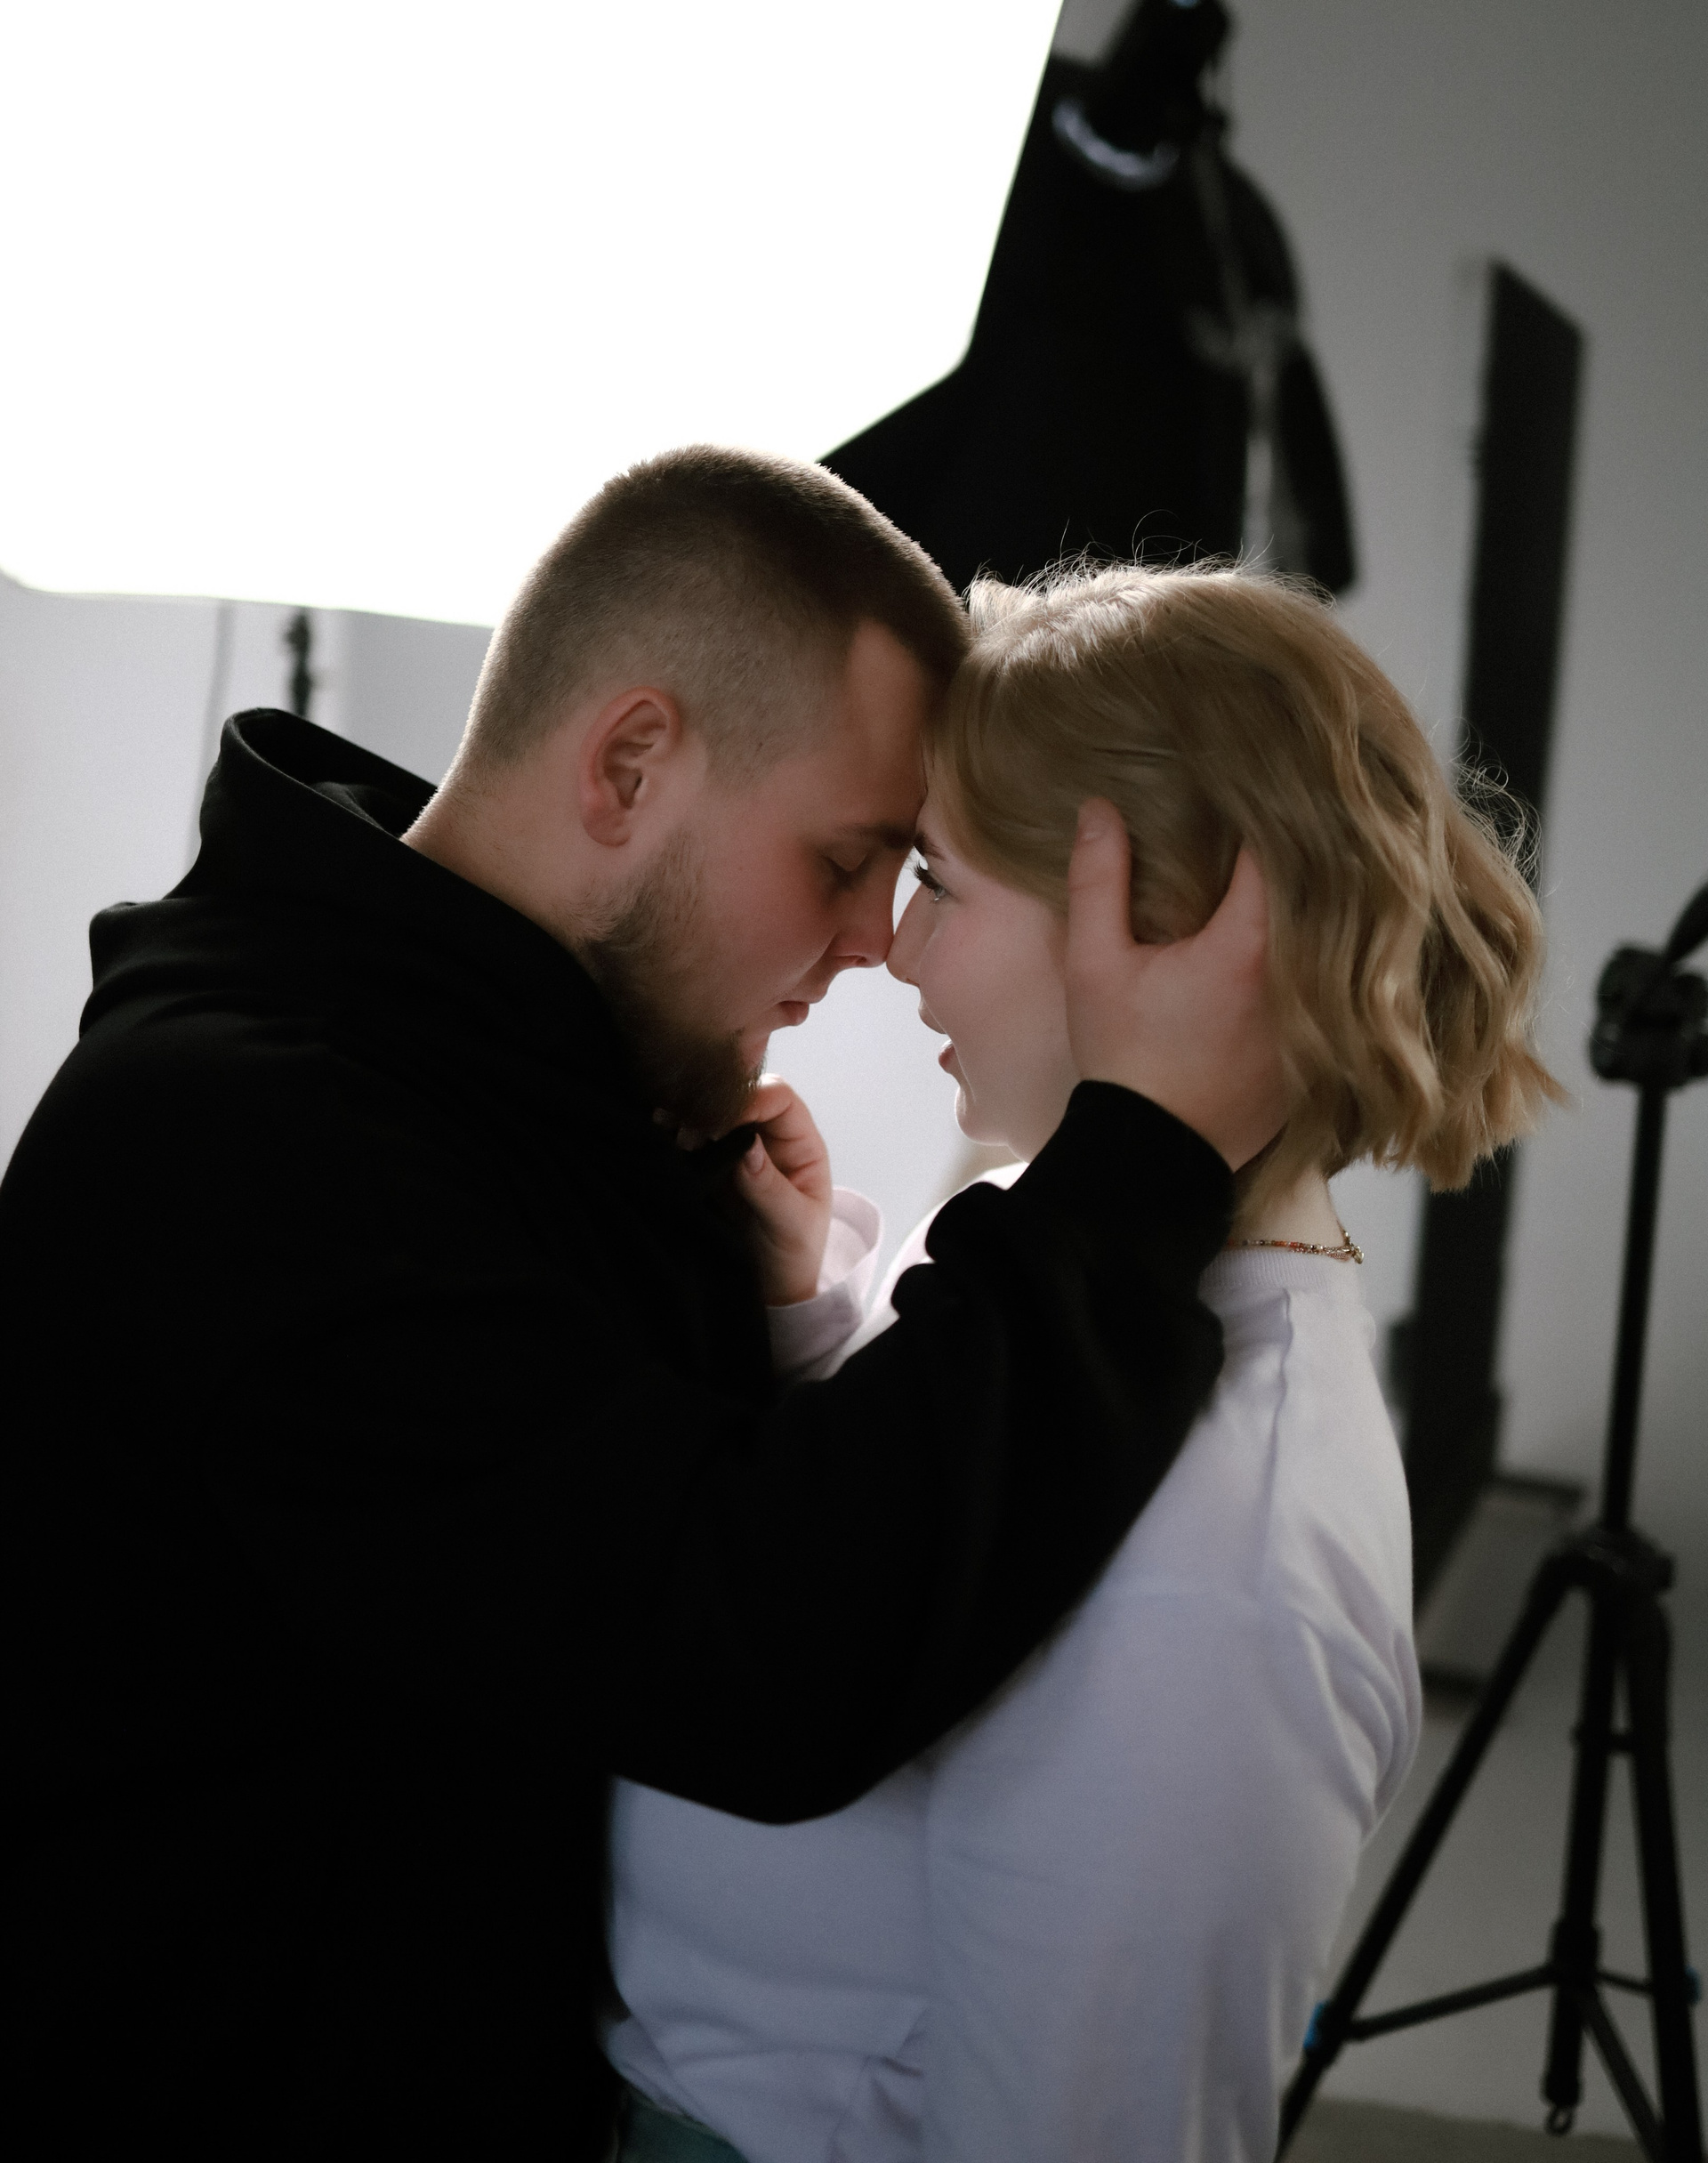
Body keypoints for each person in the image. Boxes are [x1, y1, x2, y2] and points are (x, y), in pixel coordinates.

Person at [6, 455, 1286, 2159]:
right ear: (628, 765)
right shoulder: (243, 1133)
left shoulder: (492, 1062)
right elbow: (758, 1653)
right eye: (848, 859)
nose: (878, 942)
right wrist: (1137, 1166)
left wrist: (754, 1304)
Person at [603, 562, 1566, 2163]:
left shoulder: (1224, 1579)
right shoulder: (1034, 1233)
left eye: (940, 880)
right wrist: (806, 1321)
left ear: (1166, 935)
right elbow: (898, 1552)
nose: (892, 949)